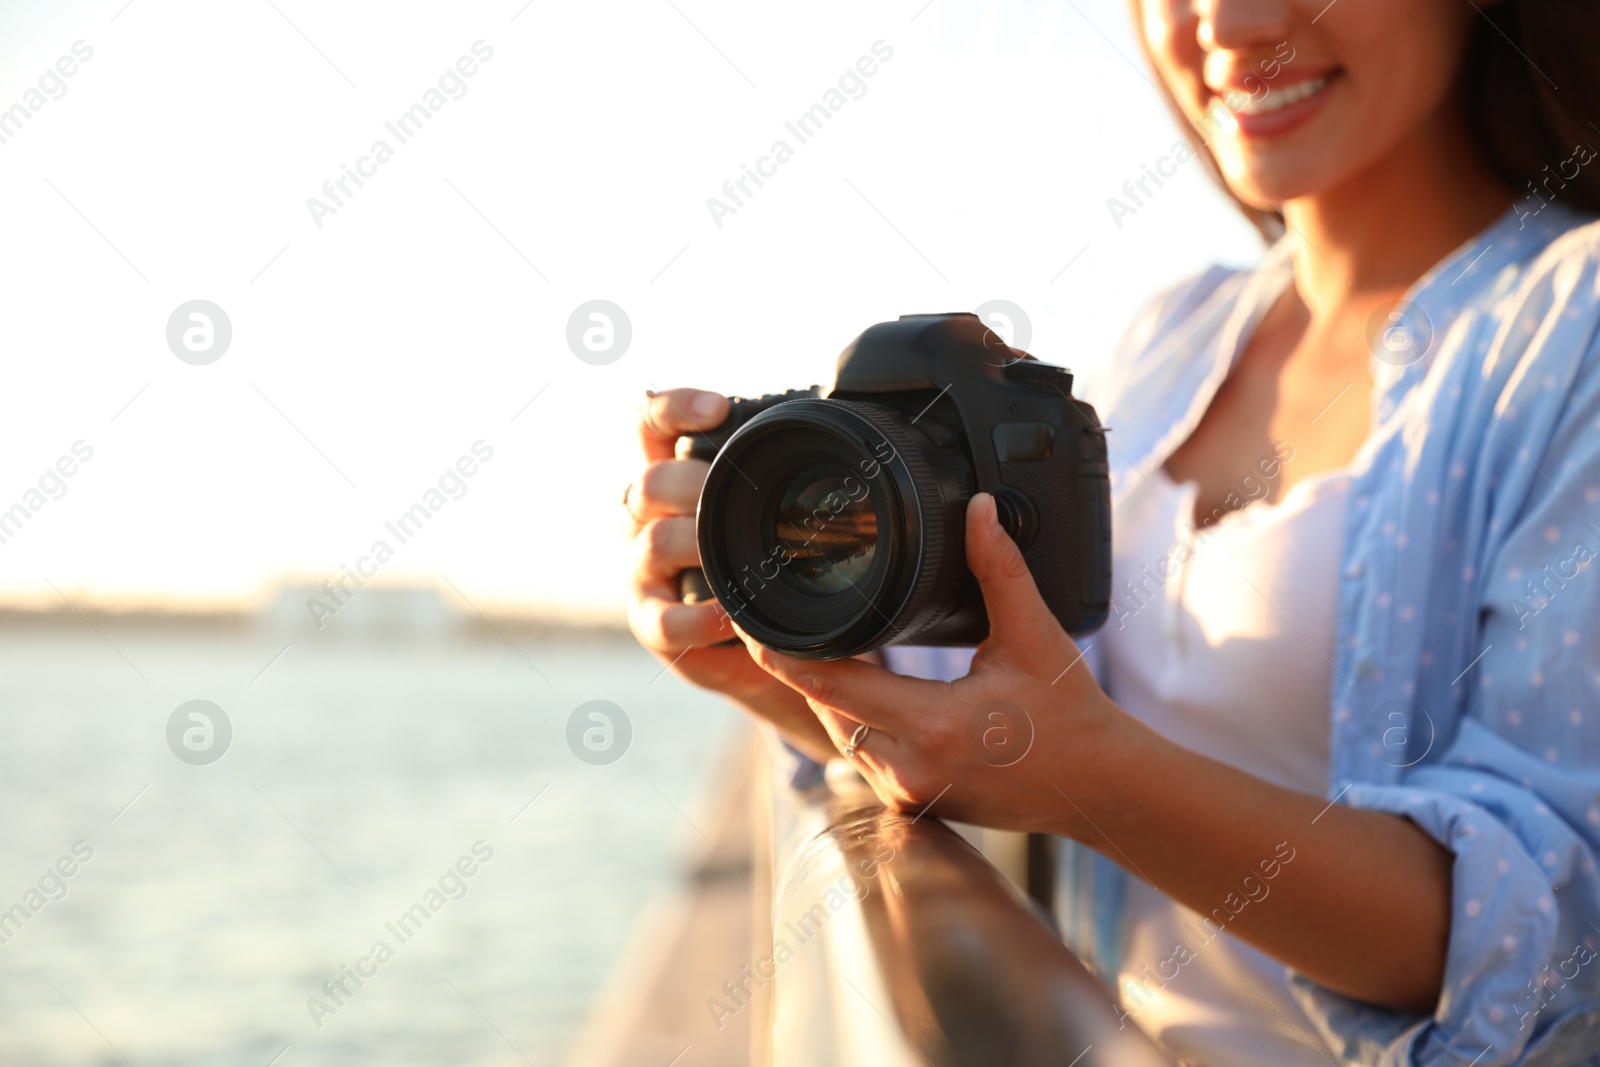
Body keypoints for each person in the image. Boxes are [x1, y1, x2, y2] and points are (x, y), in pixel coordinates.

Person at [624, 1, 1600, 1063]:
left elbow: (1549, 938)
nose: (1227, 21)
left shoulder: (1571, 328)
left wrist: (1094, 778)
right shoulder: (1172, 336)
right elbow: (996, 737)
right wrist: (783, 662)